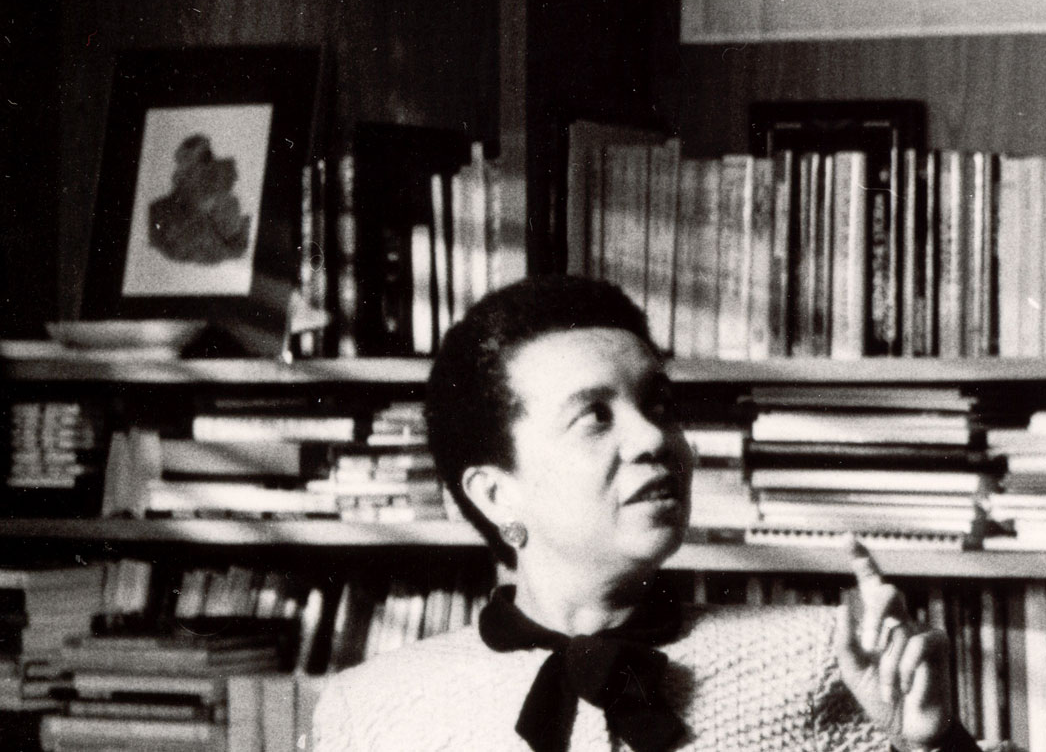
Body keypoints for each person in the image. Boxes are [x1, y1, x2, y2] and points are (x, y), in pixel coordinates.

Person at [314, 276, 977, 752]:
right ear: (495, 493)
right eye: (593, 415)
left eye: (659, 405)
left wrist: (931, 745)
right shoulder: (367, 711)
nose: (654, 438)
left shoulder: (822, 660)